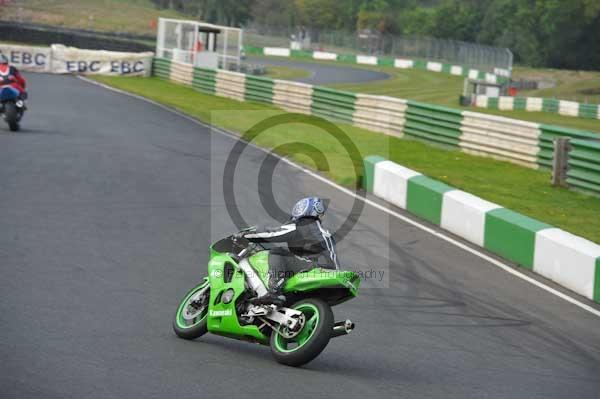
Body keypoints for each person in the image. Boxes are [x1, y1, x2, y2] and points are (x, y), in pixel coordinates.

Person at [239, 197, 339, 306]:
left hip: (316, 267)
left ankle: (274, 290)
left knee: (278, 252)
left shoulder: (302, 225)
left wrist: (245, 235)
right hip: (331, 270)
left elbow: (272, 234)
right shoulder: (323, 232)